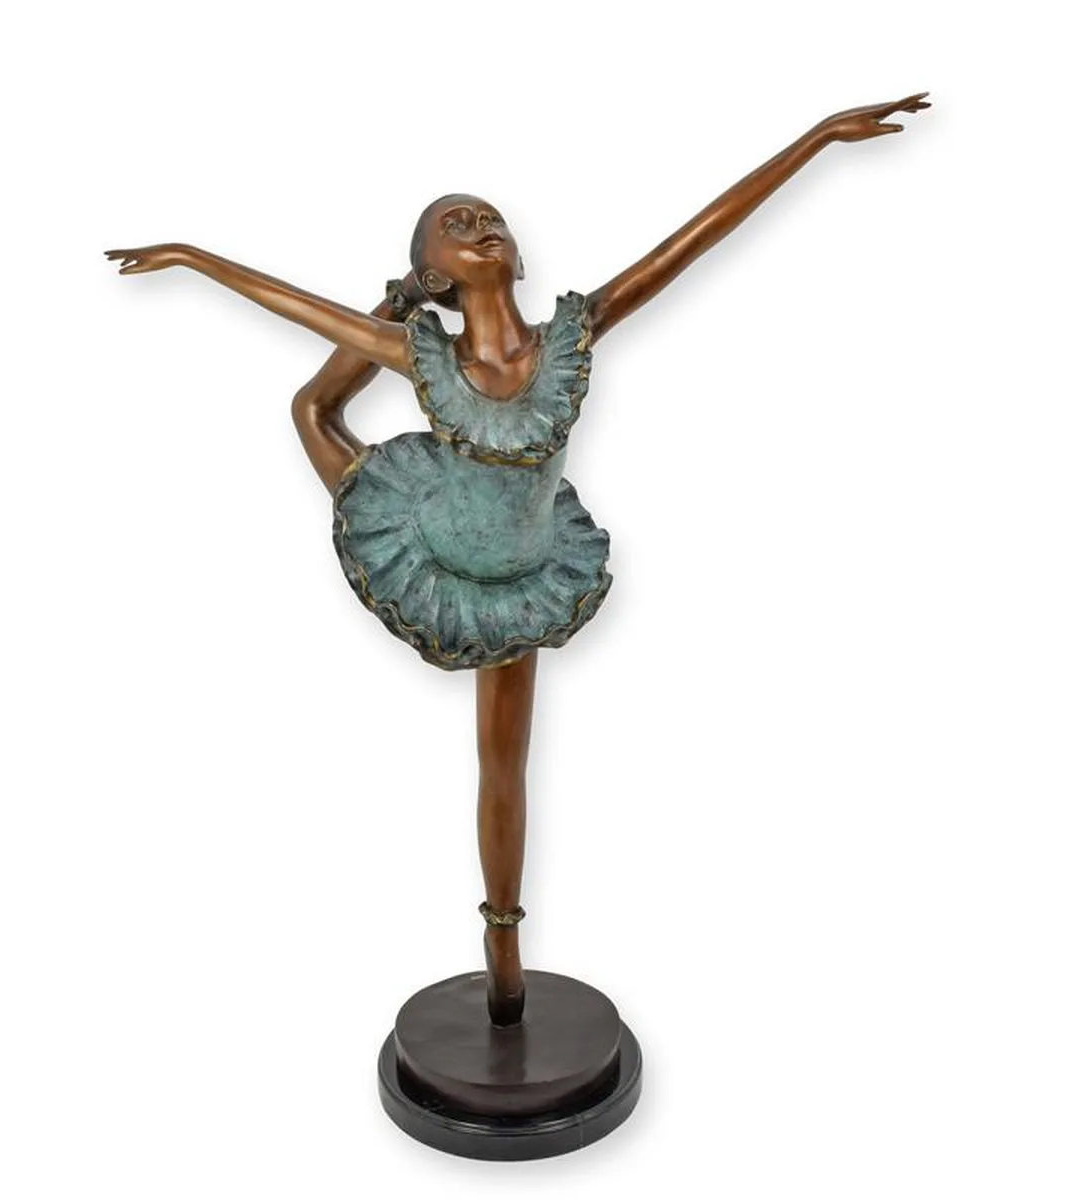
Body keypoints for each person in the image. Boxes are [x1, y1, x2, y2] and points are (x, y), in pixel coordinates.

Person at [107, 93, 930, 1025]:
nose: (480, 227)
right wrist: (196, 258)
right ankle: (500, 941)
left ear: (519, 255)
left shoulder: (568, 339)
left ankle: (502, 938)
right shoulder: (423, 356)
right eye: (456, 224)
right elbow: (298, 306)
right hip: (428, 546)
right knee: (312, 412)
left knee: (504, 767)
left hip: (524, 573)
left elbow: (690, 243)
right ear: (435, 270)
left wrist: (816, 139)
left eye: (489, 217)